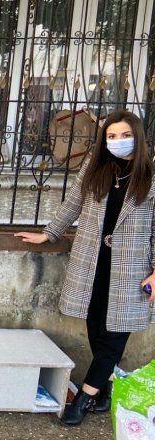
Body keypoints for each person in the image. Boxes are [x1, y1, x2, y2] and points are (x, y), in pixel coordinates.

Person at [15, 110, 155, 426]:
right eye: (111, 136)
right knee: (95, 328)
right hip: (93, 263)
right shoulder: (96, 169)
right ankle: (104, 388)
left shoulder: (150, 175)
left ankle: (83, 399)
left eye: (125, 135)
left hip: (132, 268)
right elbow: (73, 205)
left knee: (115, 336)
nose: (118, 141)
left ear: (138, 137)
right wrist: (48, 233)